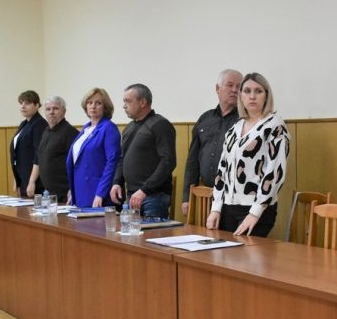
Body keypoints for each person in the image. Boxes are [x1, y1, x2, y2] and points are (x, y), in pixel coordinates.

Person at [206, 72, 290, 237]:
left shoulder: (275, 125)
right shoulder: (235, 128)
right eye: (247, 91)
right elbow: (222, 171)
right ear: (241, 96)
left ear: (266, 96)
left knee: (246, 253)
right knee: (224, 253)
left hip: (256, 209)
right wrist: (215, 208)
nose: (252, 96)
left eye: (258, 91)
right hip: (227, 208)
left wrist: (255, 212)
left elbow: (275, 173)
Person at [109, 84, 177, 219]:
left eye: (128, 101)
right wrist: (116, 182)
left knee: (152, 233)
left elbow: (168, 161)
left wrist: (144, 190)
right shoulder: (129, 127)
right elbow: (122, 158)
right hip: (132, 196)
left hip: (153, 196)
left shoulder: (160, 124)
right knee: (130, 233)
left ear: (142, 102)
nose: (124, 106)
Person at [181, 69, 242, 217]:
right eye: (230, 85)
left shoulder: (245, 120)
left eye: (239, 86)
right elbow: (192, 161)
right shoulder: (205, 119)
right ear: (217, 88)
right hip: (206, 196)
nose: (235, 90)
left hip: (235, 198)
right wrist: (186, 197)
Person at [67, 88, 122, 208]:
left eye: (98, 103)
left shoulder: (109, 128)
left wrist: (100, 193)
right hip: (80, 191)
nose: (93, 106)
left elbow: (112, 163)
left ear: (105, 107)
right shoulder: (85, 129)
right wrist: (72, 190)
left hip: (97, 192)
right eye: (89, 102)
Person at [27, 95, 79, 199]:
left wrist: (72, 188)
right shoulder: (46, 131)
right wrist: (32, 181)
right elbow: (39, 158)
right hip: (49, 193)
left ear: (64, 111)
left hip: (65, 193)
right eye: (48, 109)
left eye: (55, 109)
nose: (51, 112)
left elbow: (77, 163)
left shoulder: (70, 132)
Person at [10, 90, 48, 197]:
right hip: (23, 176)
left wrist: (32, 181)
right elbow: (17, 154)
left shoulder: (39, 124)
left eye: (27, 103)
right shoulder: (24, 123)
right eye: (21, 103)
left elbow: (38, 155)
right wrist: (17, 179)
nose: (23, 106)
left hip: (34, 179)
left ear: (37, 106)